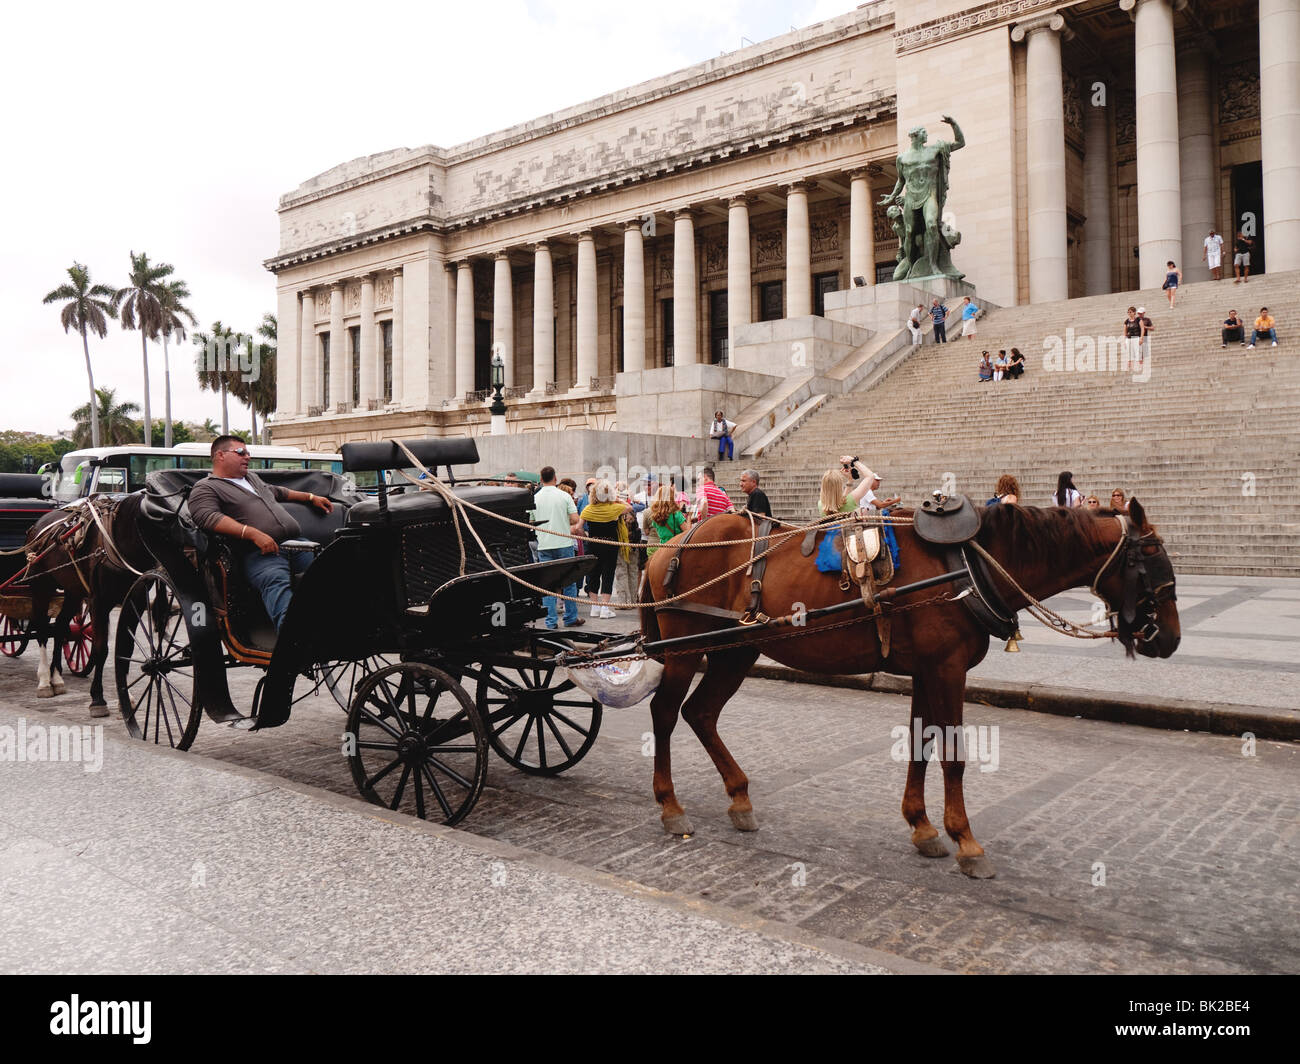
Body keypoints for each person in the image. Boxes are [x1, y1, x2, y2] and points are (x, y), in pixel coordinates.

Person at [186, 435, 334, 632]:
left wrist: (310, 497)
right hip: (259, 553)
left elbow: (278, 492)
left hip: (297, 544)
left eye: (248, 453)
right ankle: (293, 639)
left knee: (330, 573)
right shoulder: (206, 487)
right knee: (276, 581)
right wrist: (252, 533)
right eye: (241, 452)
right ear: (220, 455)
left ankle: (335, 625)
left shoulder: (252, 479)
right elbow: (206, 516)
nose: (247, 457)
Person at [530, 466, 583, 630]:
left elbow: (531, 522)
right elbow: (575, 520)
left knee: (548, 585)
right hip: (564, 543)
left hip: (544, 545)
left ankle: (551, 621)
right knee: (569, 582)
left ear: (541, 479)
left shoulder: (534, 498)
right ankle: (570, 618)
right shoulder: (564, 496)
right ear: (555, 478)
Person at [579, 479, 632, 620]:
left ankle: (594, 607)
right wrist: (616, 499)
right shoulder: (614, 508)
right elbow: (629, 507)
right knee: (607, 575)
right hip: (610, 545)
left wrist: (586, 536)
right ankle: (605, 608)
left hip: (593, 544)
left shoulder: (588, 509)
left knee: (593, 575)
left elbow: (578, 527)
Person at [647, 483, 690, 558]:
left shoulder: (655, 515)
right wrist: (689, 516)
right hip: (676, 550)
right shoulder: (676, 514)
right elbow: (688, 533)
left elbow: (659, 534)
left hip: (662, 549)